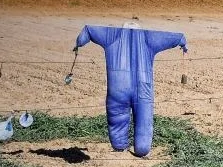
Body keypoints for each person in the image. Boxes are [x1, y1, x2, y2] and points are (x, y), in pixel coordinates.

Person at [73, 22, 187, 157]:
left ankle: (119, 147)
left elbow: (89, 30)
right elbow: (169, 37)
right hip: (143, 88)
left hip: (117, 88)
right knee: (144, 121)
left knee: (117, 117)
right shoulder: (148, 38)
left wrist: (80, 42)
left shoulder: (112, 36)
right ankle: (142, 149)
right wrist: (181, 40)